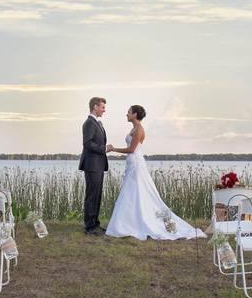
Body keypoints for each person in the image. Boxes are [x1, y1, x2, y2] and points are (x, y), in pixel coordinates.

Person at [106, 105, 205, 240]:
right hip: (132, 164)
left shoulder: (139, 129)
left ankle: (159, 225)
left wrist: (114, 149)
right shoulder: (133, 128)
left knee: (142, 193)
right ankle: (130, 223)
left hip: (136, 165)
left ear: (135, 114)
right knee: (132, 194)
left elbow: (132, 149)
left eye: (129, 112)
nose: (126, 114)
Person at [79, 96, 110, 235]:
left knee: (97, 195)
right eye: (102, 107)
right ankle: (89, 227)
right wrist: (103, 148)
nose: (104, 110)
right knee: (92, 196)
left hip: (98, 165)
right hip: (92, 165)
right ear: (95, 107)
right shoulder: (89, 123)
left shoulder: (97, 123)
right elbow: (87, 143)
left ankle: (95, 223)